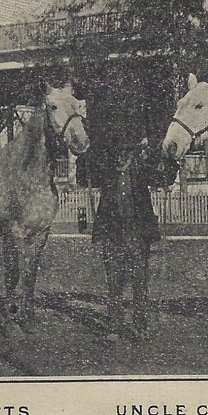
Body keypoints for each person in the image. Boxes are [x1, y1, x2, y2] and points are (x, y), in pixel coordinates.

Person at [80, 138, 179, 339]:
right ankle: (115, 326)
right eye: (118, 153)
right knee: (114, 283)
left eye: (125, 153)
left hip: (137, 231)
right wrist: (83, 157)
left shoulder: (141, 170)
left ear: (132, 154)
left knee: (139, 282)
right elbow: (84, 179)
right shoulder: (106, 170)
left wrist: (172, 162)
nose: (121, 157)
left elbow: (163, 179)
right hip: (112, 231)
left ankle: (140, 326)